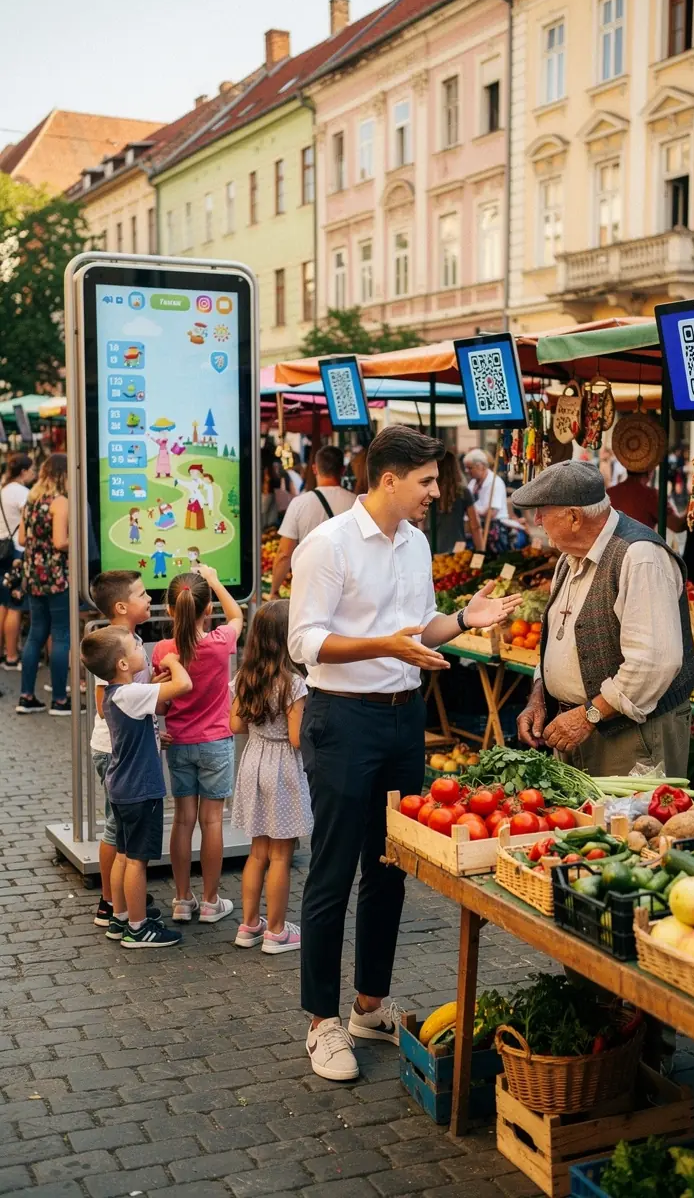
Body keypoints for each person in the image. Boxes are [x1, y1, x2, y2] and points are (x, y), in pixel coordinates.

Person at [288, 425, 522, 1081]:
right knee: (332, 871)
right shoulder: (327, 545)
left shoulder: (417, 543)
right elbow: (305, 642)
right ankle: (321, 1022)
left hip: (401, 719)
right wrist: (384, 647)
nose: (434, 494)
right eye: (425, 482)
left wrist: (463, 622)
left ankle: (369, 1004)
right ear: (387, 479)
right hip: (342, 719)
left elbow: (420, 630)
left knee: (389, 866)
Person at [513, 460, 694, 779]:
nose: (537, 520)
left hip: (632, 736)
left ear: (574, 517)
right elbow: (560, 639)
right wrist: (539, 695)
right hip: (581, 726)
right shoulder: (568, 557)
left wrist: (589, 715)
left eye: (543, 511)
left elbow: (654, 662)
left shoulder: (640, 557)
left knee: (628, 828)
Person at [79, 625, 192, 948]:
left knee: (125, 856)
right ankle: (139, 928)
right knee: (138, 861)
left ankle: (120, 916)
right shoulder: (132, 694)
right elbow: (184, 684)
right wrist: (171, 661)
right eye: (134, 647)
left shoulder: (119, 695)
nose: (142, 649)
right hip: (140, 789)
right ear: (122, 665)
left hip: (122, 787)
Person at [152, 564, 244, 924]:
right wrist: (216, 580)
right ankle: (209, 901)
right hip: (217, 742)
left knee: (182, 821)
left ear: (171, 610)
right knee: (213, 822)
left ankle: (180, 899)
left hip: (179, 742)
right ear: (208, 610)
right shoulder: (221, 644)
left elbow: (161, 702)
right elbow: (236, 614)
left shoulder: (162, 650)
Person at [229, 599, 311, 954]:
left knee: (257, 851)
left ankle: (249, 926)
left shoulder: (244, 677)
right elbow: (296, 738)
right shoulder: (294, 684)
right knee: (281, 854)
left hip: (253, 761)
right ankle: (277, 930)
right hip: (284, 767)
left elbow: (235, 725)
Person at [87, 570, 156, 931]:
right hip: (115, 752)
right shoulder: (114, 645)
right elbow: (105, 706)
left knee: (122, 830)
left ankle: (124, 902)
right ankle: (110, 904)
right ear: (121, 606)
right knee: (116, 830)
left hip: (124, 750)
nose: (149, 599)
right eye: (142, 594)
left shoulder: (133, 642)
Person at [17, 453, 71, 716]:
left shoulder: (31, 500)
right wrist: (79, 540)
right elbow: (61, 542)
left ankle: (26, 696)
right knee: (61, 634)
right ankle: (60, 699)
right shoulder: (59, 502)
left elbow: (23, 538)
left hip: (33, 575)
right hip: (56, 575)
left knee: (36, 634)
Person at [268, 446, 356, 598]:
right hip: (348, 589)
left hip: (309, 589)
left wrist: (274, 590)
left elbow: (284, 554)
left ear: (314, 469)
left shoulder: (299, 503)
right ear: (342, 470)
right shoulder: (356, 503)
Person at [0, 452, 35, 670]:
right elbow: (29, 521)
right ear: (23, 472)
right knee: (15, 605)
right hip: (17, 552)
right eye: (32, 470)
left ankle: (4, 651)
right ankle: (12, 656)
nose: (34, 473)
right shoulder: (22, 493)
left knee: (3, 603)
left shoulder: (3, 489)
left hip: (2, 548)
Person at [432, 449, 484, 554]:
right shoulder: (463, 492)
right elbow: (475, 526)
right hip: (458, 549)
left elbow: (420, 524)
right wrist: (481, 552)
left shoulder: (429, 493)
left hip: (431, 547)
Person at [607, 468, 687, 535]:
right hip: (639, 551)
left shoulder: (609, 492)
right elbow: (677, 526)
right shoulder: (651, 495)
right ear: (650, 471)